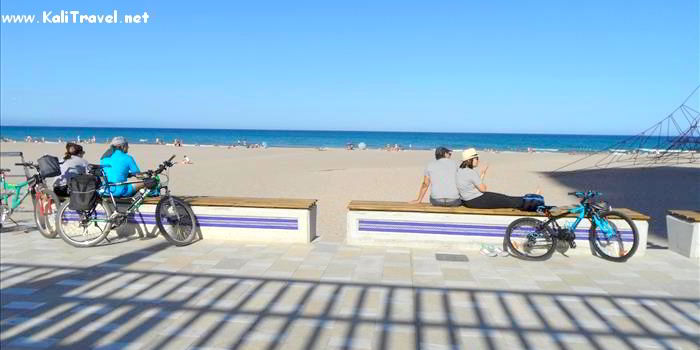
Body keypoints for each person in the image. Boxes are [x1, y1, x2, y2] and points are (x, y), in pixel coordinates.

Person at [457, 148, 528, 209]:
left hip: (467, 201)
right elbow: (483, 189)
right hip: (476, 200)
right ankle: (529, 202)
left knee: (506, 198)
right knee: (507, 200)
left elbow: (475, 185)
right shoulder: (471, 172)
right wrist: (483, 182)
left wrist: (483, 173)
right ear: (469, 160)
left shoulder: (459, 170)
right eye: (476, 158)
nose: (478, 161)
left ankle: (528, 200)